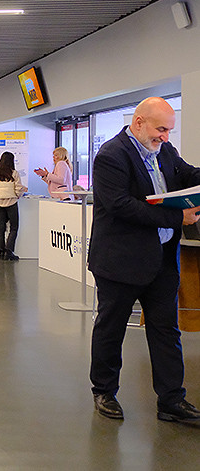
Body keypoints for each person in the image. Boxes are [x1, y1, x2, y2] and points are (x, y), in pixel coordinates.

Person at [89, 97, 200, 423]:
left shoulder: (165, 151)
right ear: (138, 123)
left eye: (169, 130)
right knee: (111, 329)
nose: (165, 136)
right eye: (161, 129)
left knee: (166, 330)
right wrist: (175, 219)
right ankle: (104, 391)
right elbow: (120, 205)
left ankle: (171, 400)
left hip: (162, 260)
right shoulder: (111, 156)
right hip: (119, 262)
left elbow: (186, 173)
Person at [0, 151, 27, 261]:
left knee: (1, 226)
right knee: (14, 227)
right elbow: (19, 188)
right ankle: (9, 251)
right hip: (11, 203)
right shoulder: (14, 173)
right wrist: (17, 196)